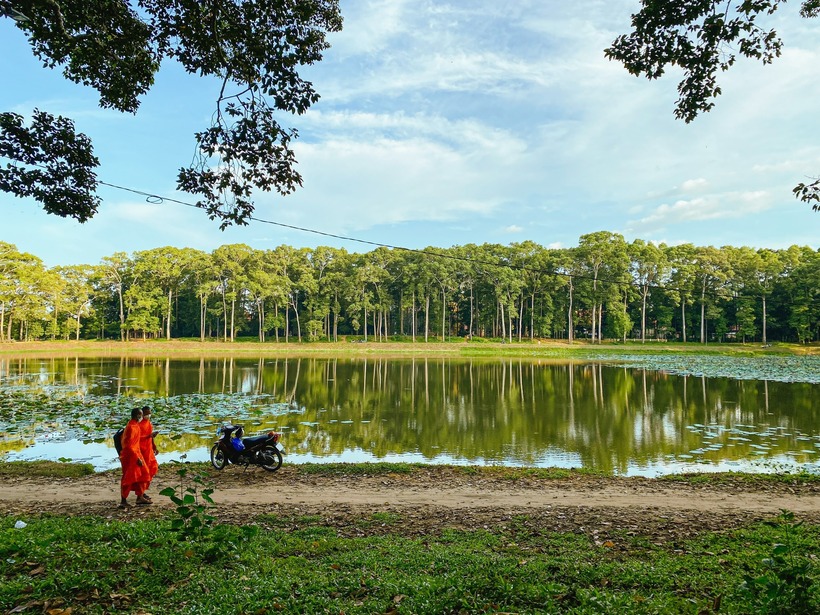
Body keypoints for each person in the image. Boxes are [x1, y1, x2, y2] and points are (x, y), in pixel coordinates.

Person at [119, 407, 151, 508]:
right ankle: (123, 501)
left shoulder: (134, 425)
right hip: (130, 456)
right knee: (128, 478)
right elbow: (129, 445)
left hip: (136, 453)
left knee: (143, 475)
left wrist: (148, 437)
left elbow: (136, 440)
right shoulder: (132, 427)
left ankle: (140, 497)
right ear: (137, 416)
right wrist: (137, 458)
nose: (142, 417)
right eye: (141, 415)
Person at [139, 405, 159, 501]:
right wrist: (148, 436)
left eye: (149, 413)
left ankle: (143, 491)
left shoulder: (149, 424)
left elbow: (150, 437)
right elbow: (136, 439)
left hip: (148, 450)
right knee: (143, 472)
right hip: (141, 450)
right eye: (146, 413)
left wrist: (154, 447)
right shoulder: (139, 424)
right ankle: (140, 495)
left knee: (152, 468)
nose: (148, 415)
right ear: (142, 414)